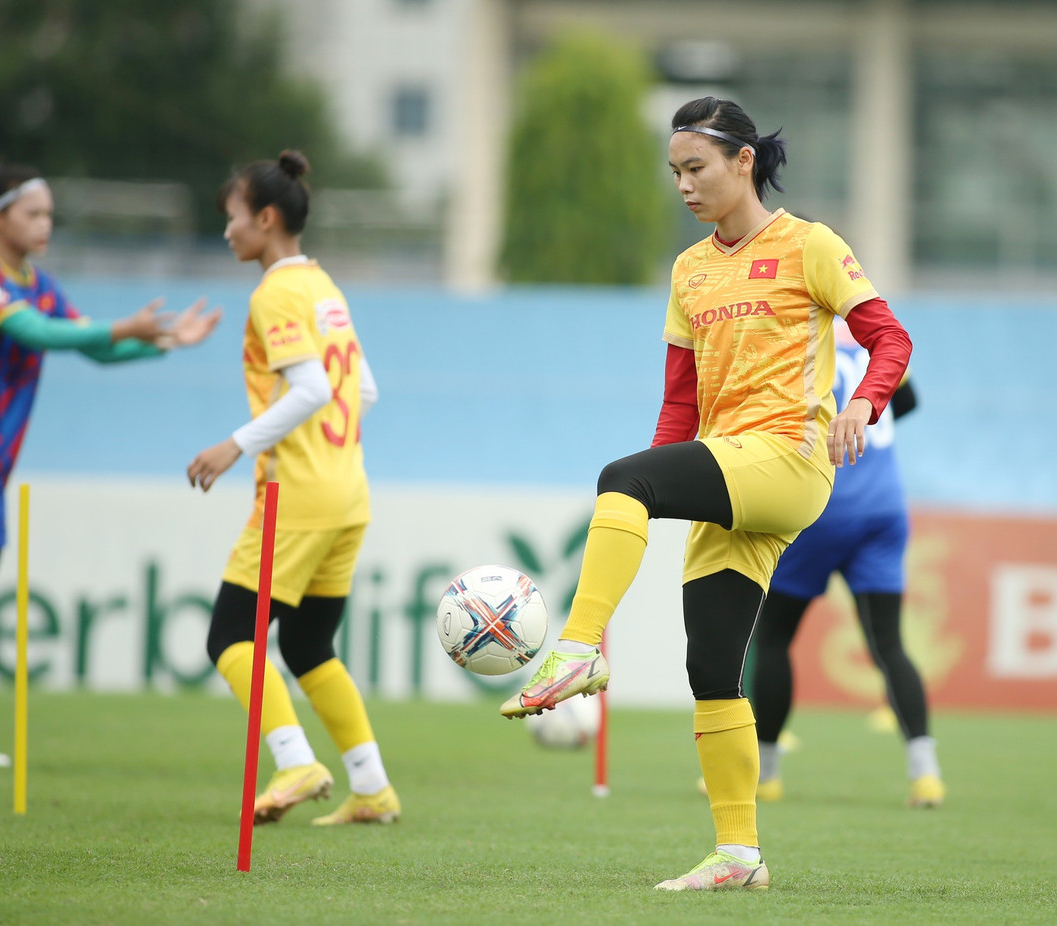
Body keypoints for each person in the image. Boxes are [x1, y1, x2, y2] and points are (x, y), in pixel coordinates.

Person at [499, 97, 912, 890]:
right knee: (714, 668)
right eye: (675, 172)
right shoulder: (689, 271)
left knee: (620, 478)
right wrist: (659, 493)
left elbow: (890, 336)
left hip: (790, 462)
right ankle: (739, 856)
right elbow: (680, 406)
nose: (683, 185)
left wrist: (863, 402)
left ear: (743, 161)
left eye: (696, 168)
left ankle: (577, 650)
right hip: (727, 469)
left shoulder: (809, 245)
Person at [0, 149, 219, 767]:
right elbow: (41, 335)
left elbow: (94, 350)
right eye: (34, 213)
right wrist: (119, 329)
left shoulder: (41, 287)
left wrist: (163, 343)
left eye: (50, 214)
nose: (45, 225)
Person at [187, 150, 398, 826]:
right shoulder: (323, 288)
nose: (227, 232)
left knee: (228, 638)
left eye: (234, 218)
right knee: (308, 646)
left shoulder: (275, 292)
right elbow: (361, 389)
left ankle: (295, 762)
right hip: (348, 490)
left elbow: (309, 388)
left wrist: (235, 443)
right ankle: (372, 788)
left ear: (267, 219)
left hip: (299, 495)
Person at [747, 320, 945, 808]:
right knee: (889, 646)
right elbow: (911, 399)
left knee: (772, 638)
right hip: (883, 508)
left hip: (820, 507)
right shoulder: (866, 336)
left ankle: (766, 775)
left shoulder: (794, 331)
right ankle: (926, 774)